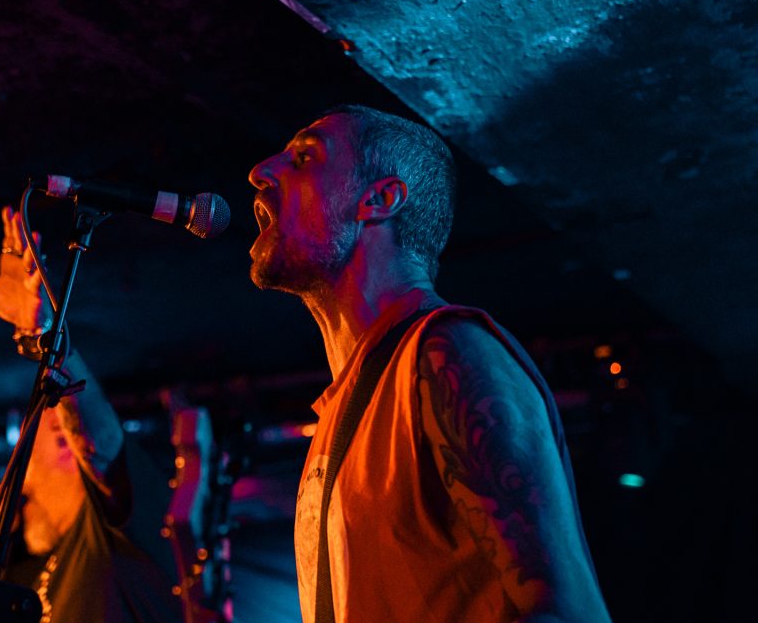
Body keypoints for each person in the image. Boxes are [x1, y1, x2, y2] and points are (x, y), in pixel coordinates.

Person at [248, 105, 611, 622]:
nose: (260, 171)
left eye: (305, 157)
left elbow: (561, 611)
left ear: (378, 199)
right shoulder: (338, 413)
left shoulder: (445, 352)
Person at [0, 207, 182, 623]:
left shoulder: (112, 535)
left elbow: (99, 441)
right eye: (54, 419)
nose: (63, 425)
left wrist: (42, 332)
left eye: (61, 420)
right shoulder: (33, 570)